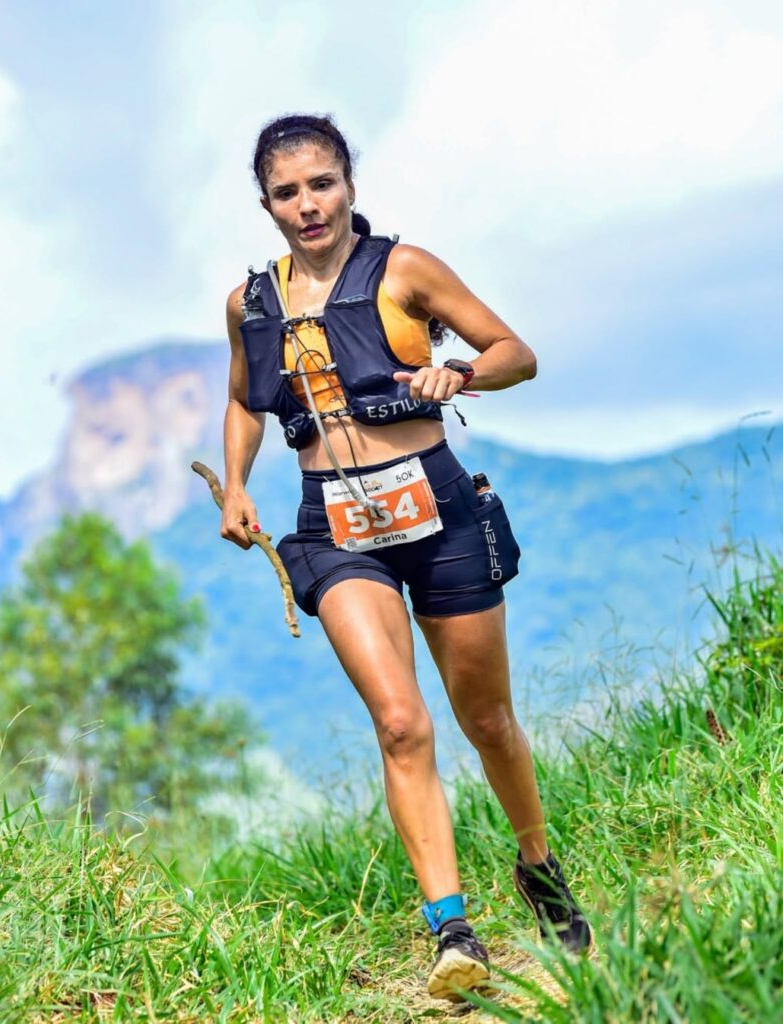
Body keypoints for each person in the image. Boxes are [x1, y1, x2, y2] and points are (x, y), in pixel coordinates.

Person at [221, 113, 592, 1002]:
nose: (308, 205)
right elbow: (244, 399)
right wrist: (237, 483)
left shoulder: (404, 269)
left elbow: (517, 353)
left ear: (348, 183)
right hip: (333, 527)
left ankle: (536, 860)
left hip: (435, 508)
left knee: (487, 719)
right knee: (399, 721)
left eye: (322, 184)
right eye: (287, 192)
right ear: (265, 204)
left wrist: (457, 374)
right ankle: (452, 932)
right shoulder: (251, 304)